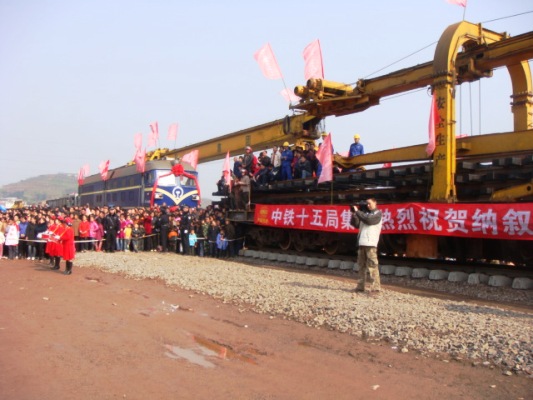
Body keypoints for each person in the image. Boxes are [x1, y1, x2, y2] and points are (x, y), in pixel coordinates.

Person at [350, 198, 383, 293]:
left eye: (369, 203)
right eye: (366, 204)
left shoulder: (377, 213)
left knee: (372, 266)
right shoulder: (364, 214)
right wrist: (354, 214)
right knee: (361, 266)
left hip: (371, 243)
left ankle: (375, 288)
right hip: (362, 242)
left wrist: (358, 212)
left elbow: (369, 220)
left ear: (375, 203)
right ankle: (360, 286)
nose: (368, 205)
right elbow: (355, 224)